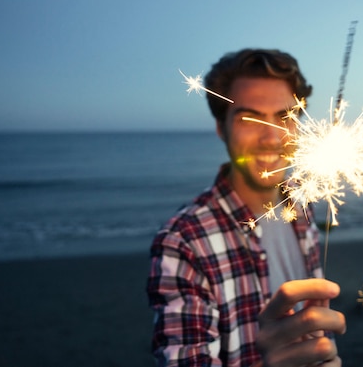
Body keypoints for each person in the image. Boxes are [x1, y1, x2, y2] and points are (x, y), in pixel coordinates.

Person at [146, 48, 346, 367]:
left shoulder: (301, 207)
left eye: (285, 117)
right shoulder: (183, 241)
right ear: (221, 127)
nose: (271, 137)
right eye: (249, 118)